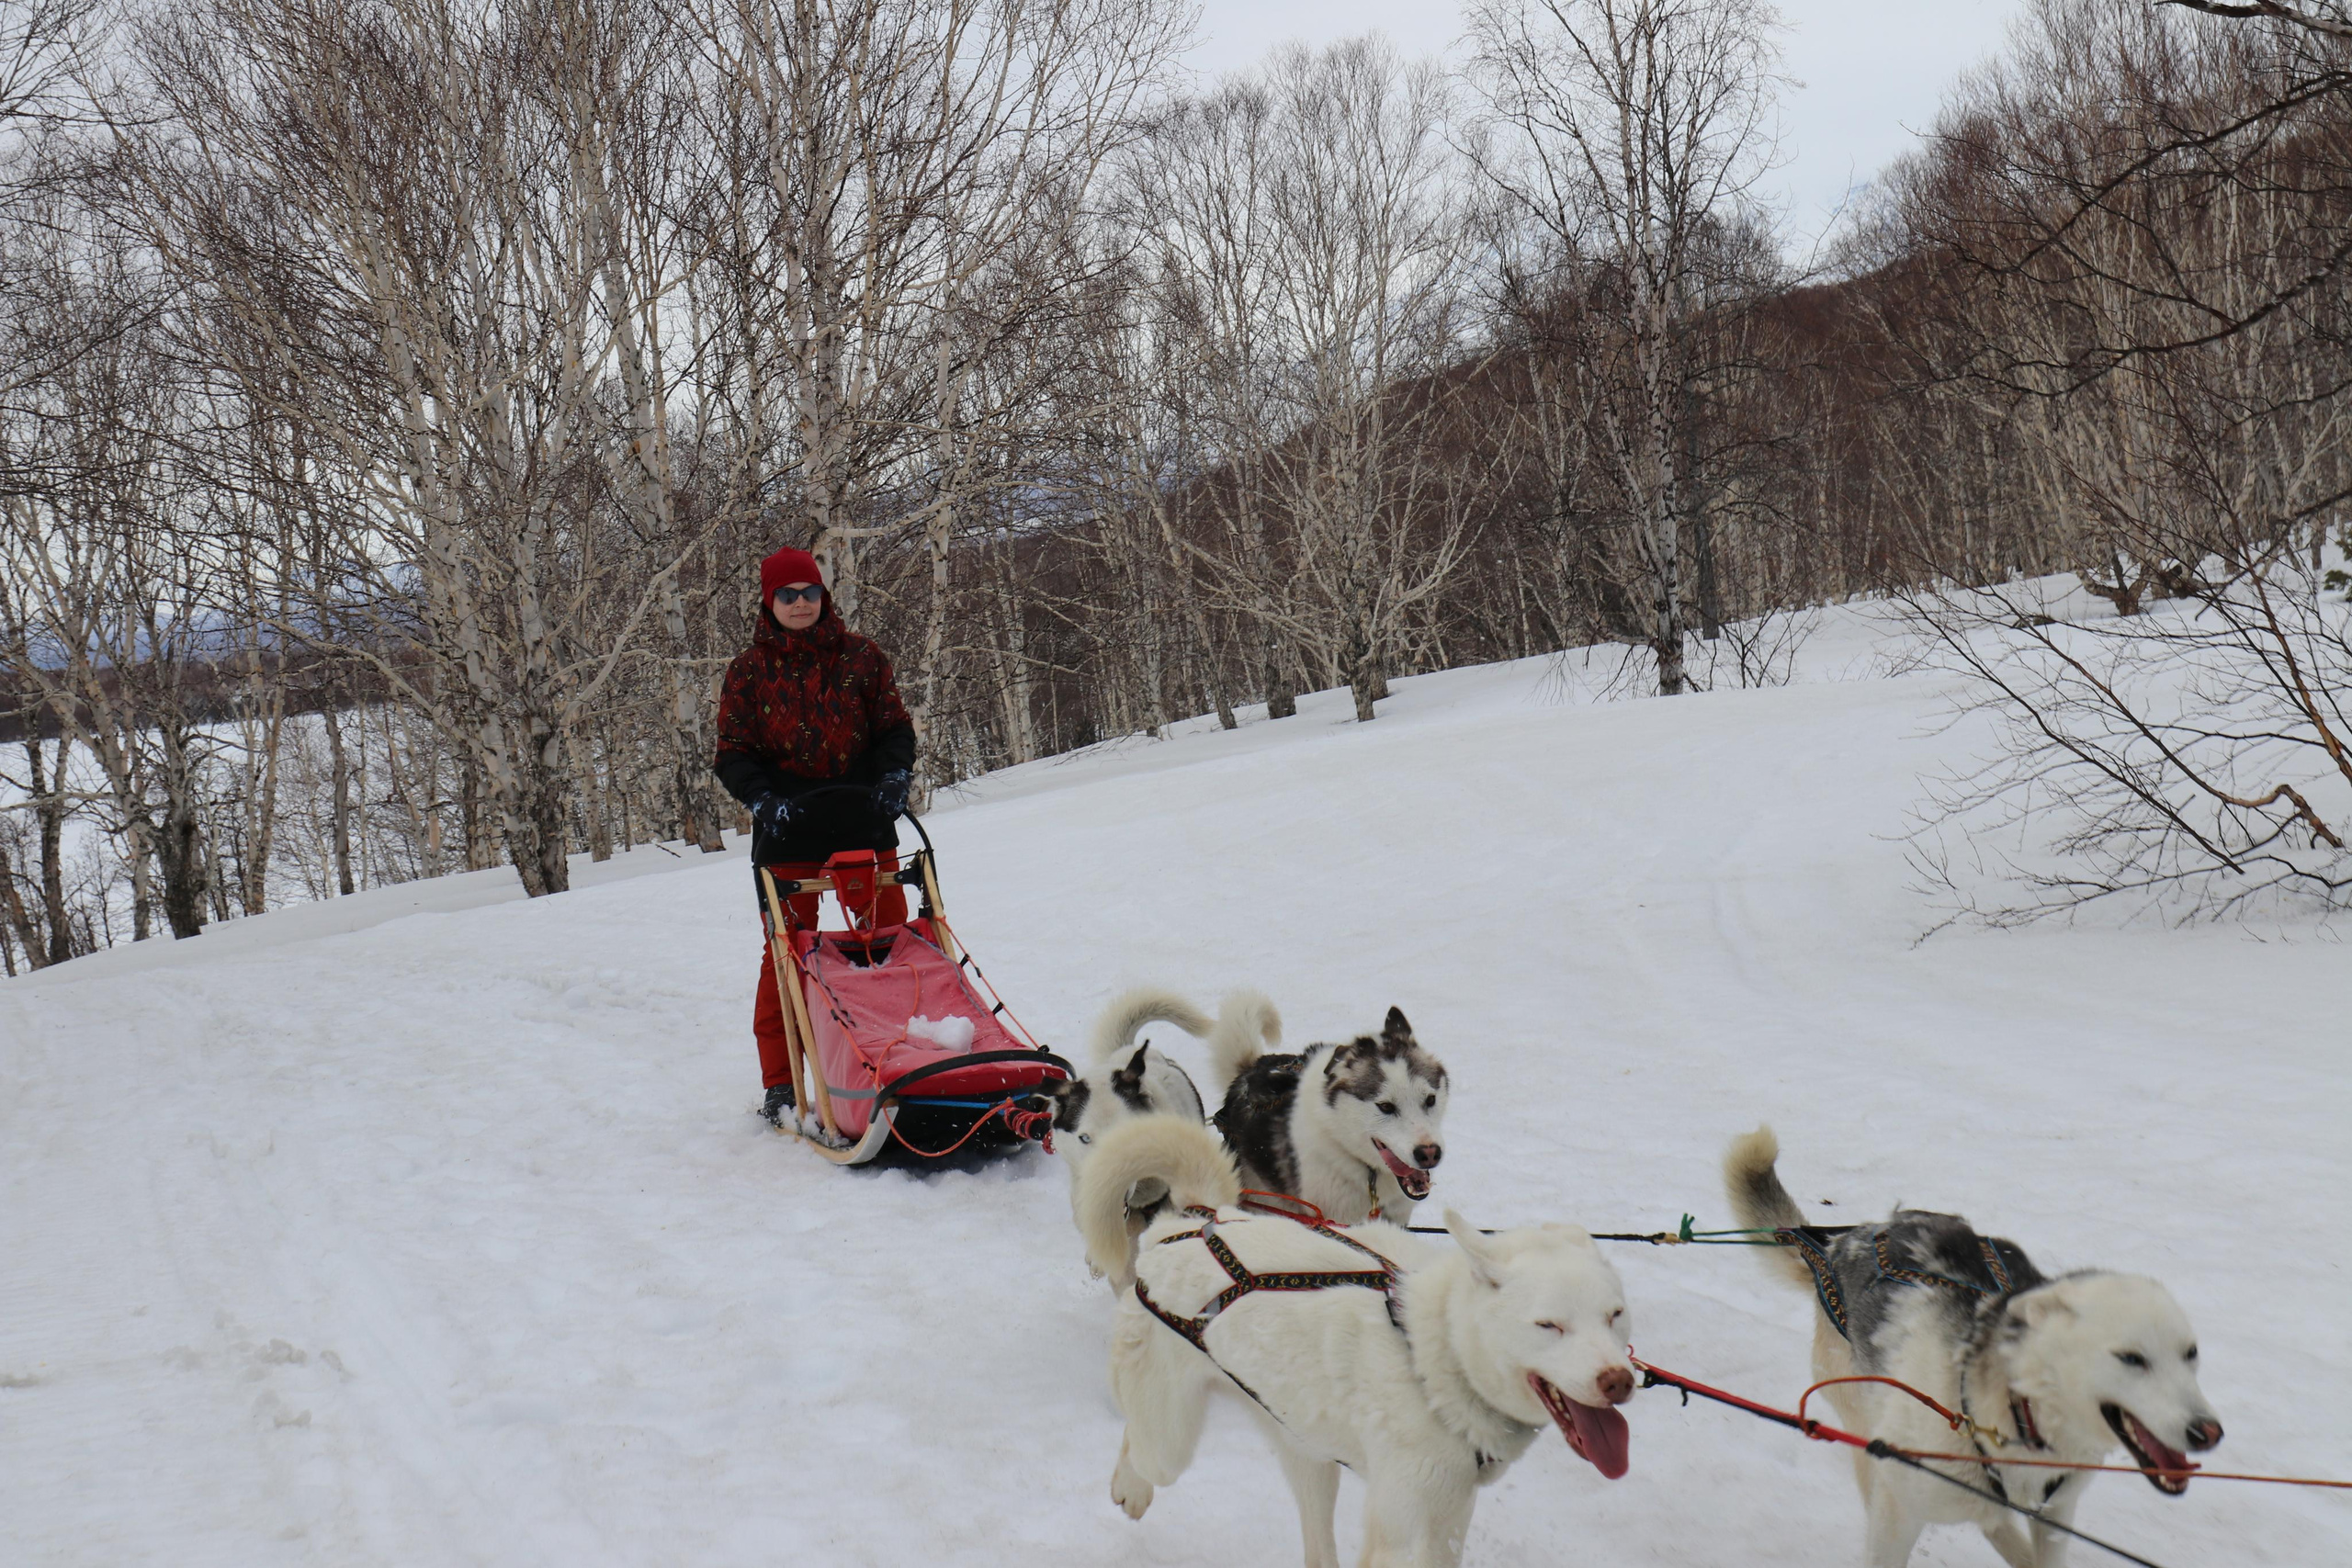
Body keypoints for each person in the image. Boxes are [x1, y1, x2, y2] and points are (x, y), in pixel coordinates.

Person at [713, 546, 915, 1123]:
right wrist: (762, 800)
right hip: (789, 830)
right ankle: (781, 1086)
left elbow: (894, 730)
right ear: (768, 601)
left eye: (809, 592)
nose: (800, 604)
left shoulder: (862, 658)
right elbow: (732, 754)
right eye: (787, 595)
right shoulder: (748, 672)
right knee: (786, 960)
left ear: (823, 595)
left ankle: (904, 1056)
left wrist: (895, 776)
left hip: (862, 822)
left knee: (892, 950)